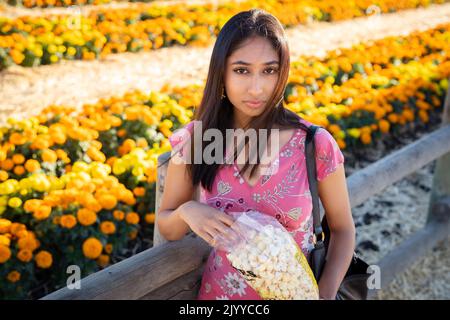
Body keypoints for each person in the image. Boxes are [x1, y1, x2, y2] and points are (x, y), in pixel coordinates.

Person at [157, 8, 355, 300]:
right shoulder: (197, 140)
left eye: (269, 70)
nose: (256, 87)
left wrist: (322, 296)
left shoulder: (313, 143)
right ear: (221, 71)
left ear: (282, 71)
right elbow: (168, 226)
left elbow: (343, 230)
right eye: (241, 70)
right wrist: (188, 211)